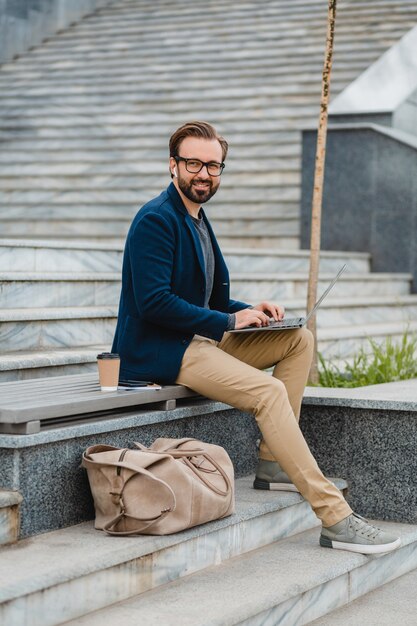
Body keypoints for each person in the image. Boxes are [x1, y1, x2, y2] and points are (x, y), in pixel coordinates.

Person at [112, 120, 400, 554]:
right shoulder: (156, 219)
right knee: (267, 392)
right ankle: (335, 515)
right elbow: (155, 303)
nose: (204, 173)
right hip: (163, 351)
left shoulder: (198, 220)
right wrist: (226, 323)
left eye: (214, 165)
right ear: (172, 166)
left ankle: (272, 462)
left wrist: (247, 311)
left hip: (198, 340)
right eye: (193, 163)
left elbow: (204, 298)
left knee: (297, 339)